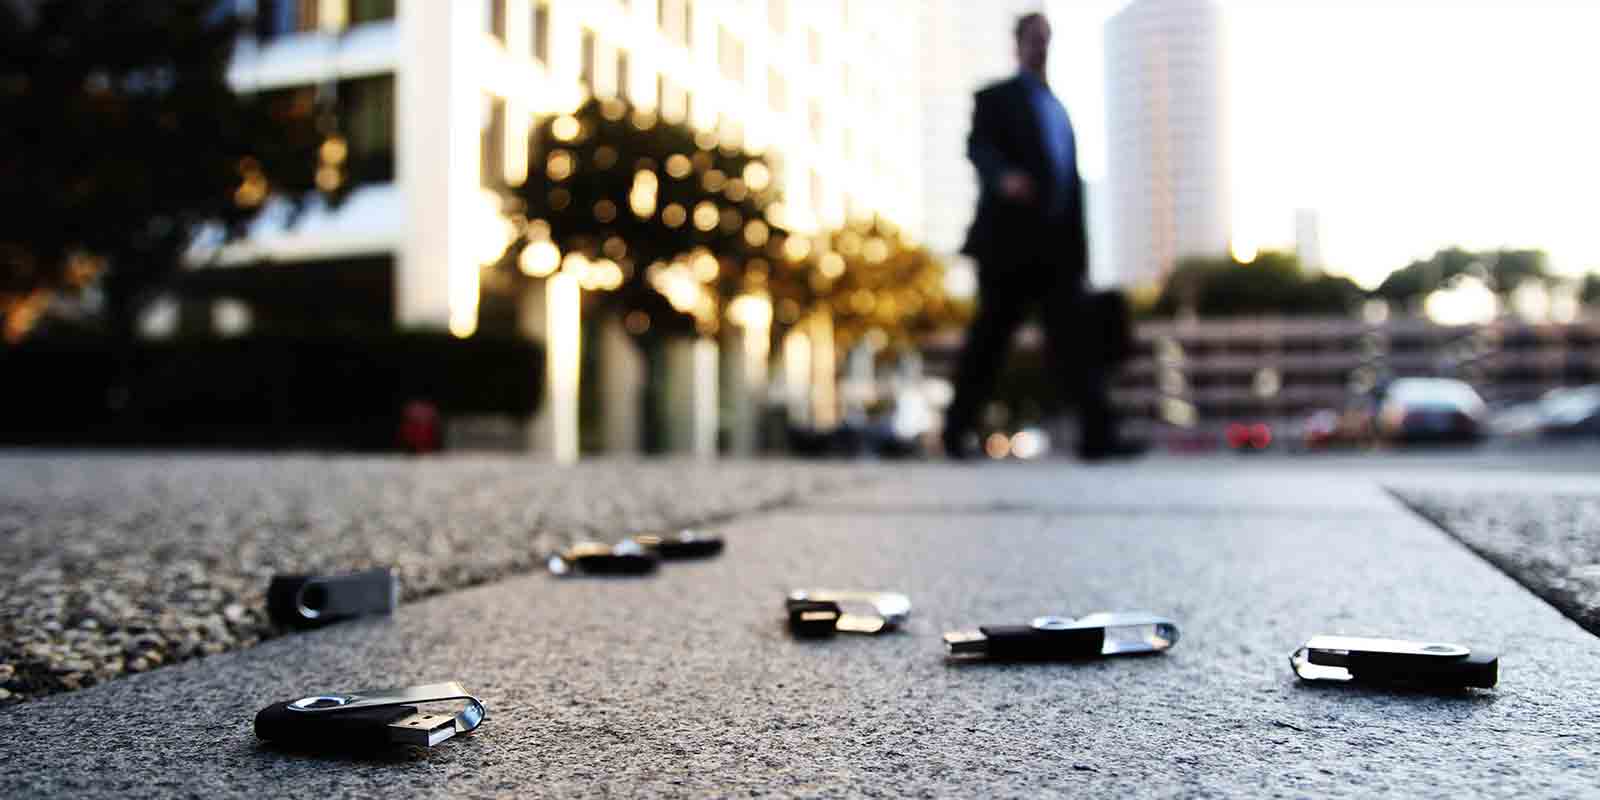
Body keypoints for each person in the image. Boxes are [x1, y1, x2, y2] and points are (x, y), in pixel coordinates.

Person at [942, 12, 1140, 461]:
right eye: (1033, 38)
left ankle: (1099, 437)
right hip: (1009, 246)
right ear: (1017, 43)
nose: (1041, 46)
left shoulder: (1059, 110)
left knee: (1077, 342)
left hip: (1057, 253)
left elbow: (1070, 188)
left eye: (1046, 38)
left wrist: (1081, 258)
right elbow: (977, 146)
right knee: (989, 340)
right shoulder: (995, 98)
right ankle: (955, 432)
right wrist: (1003, 177)